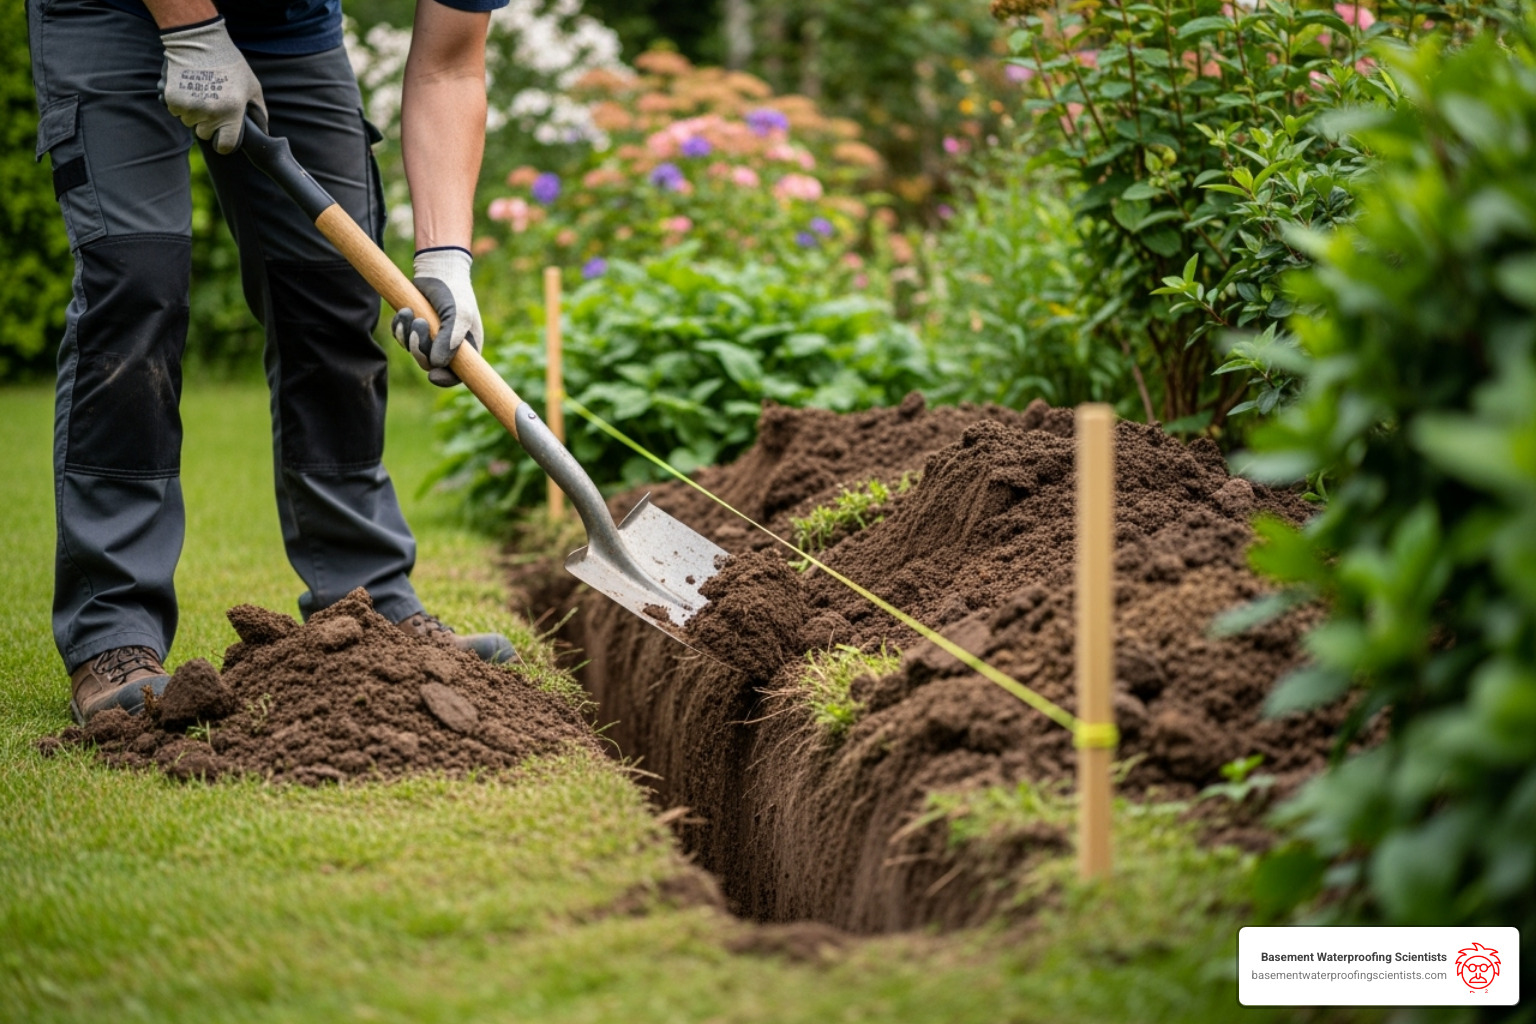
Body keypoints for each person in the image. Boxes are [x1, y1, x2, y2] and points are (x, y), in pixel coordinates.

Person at [26, 0, 517, 725]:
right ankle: (113, 632)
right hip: (113, 8)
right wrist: (191, 27)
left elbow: (449, 64)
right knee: (136, 282)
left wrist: (446, 258)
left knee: (334, 287)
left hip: (286, 20)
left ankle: (364, 603)